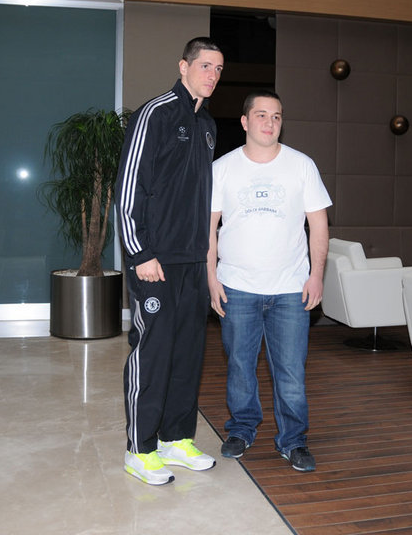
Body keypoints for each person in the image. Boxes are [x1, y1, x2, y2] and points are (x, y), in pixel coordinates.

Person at [115, 37, 224, 486]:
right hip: (154, 261)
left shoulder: (208, 125)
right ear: (184, 66)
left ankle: (175, 438)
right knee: (154, 352)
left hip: (192, 262)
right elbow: (129, 188)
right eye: (205, 66)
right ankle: (139, 449)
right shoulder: (155, 113)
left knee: (187, 354)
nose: (212, 75)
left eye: (218, 69)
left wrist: (207, 258)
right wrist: (140, 253)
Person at [207, 90, 332, 472]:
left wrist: (316, 275)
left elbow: (319, 226)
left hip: (290, 289)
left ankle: (293, 441)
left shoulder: (302, 166)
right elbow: (207, 229)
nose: (270, 122)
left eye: (276, 116)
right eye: (261, 115)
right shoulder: (222, 168)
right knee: (240, 367)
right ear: (245, 121)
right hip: (237, 287)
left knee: (291, 373)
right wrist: (210, 278)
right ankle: (242, 429)